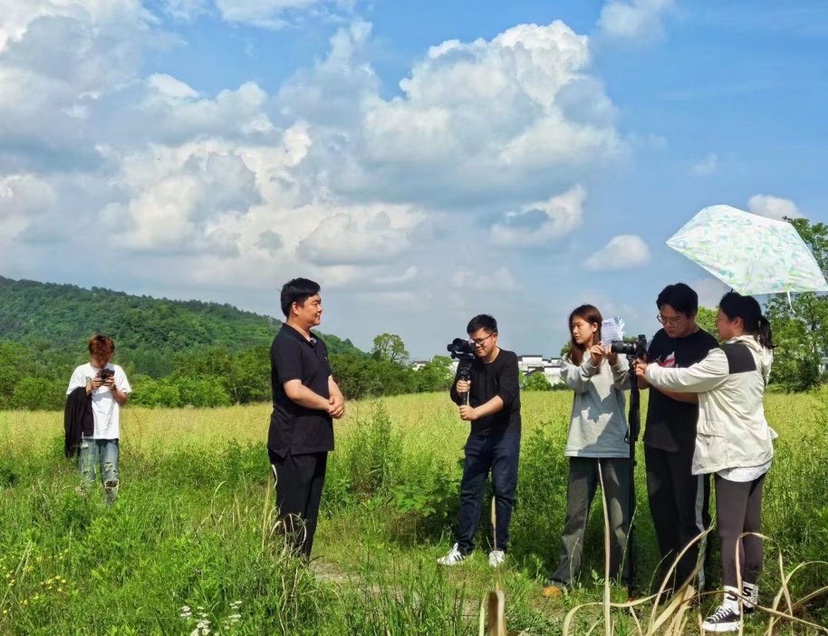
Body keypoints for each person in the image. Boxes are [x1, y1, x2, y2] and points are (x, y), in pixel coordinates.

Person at [636, 292, 775, 632]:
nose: (717, 322)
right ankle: (748, 595)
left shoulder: (725, 355)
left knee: (729, 531)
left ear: (736, 322)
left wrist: (649, 370)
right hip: (757, 449)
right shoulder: (760, 350)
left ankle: (730, 607)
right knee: (750, 527)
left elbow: (683, 378)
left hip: (734, 453)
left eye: (721, 317)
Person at [541, 305, 631, 597]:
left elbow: (627, 382)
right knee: (575, 518)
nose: (575, 330)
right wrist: (592, 361)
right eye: (572, 326)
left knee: (618, 521)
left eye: (579, 325)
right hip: (581, 447)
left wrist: (613, 360)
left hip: (615, 446)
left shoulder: (617, 352)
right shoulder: (570, 359)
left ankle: (622, 581)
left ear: (596, 326)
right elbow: (577, 382)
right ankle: (563, 580)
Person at [639, 283, 719, 593]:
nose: (668, 325)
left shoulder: (708, 348)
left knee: (690, 516)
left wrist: (654, 376)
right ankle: (670, 582)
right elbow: (643, 383)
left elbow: (698, 396)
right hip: (655, 438)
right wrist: (639, 371)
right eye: (663, 318)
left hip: (689, 443)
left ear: (692, 314)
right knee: (663, 514)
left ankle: (694, 586)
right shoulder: (660, 338)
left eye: (675, 319)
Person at [268, 278, 345, 559]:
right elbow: (294, 390)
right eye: (315, 303)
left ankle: (301, 570)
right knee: (291, 514)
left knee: (310, 513)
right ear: (295, 307)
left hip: (316, 440)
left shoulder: (316, 344)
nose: (320, 309)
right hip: (292, 443)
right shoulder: (286, 343)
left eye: (320, 303)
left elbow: (327, 378)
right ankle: (283, 570)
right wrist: (327, 405)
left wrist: (337, 397)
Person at [437, 314, 521, 568]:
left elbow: (505, 397)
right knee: (470, 489)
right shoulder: (469, 360)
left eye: (481, 340)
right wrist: (459, 391)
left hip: (505, 433)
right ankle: (463, 547)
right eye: (473, 340)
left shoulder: (508, 360)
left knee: (503, 490)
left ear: (494, 336)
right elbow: (456, 396)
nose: (477, 345)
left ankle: (498, 547)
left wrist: (476, 412)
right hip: (478, 434)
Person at [65, 335, 132, 503]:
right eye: (100, 356)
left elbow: (123, 400)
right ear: (92, 353)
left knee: (111, 477)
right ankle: (83, 509)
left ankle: (110, 510)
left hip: (110, 432)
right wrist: (88, 388)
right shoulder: (81, 371)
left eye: (107, 356)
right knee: (86, 477)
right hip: (87, 433)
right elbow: (71, 400)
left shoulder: (117, 371)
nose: (104, 360)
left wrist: (113, 388)